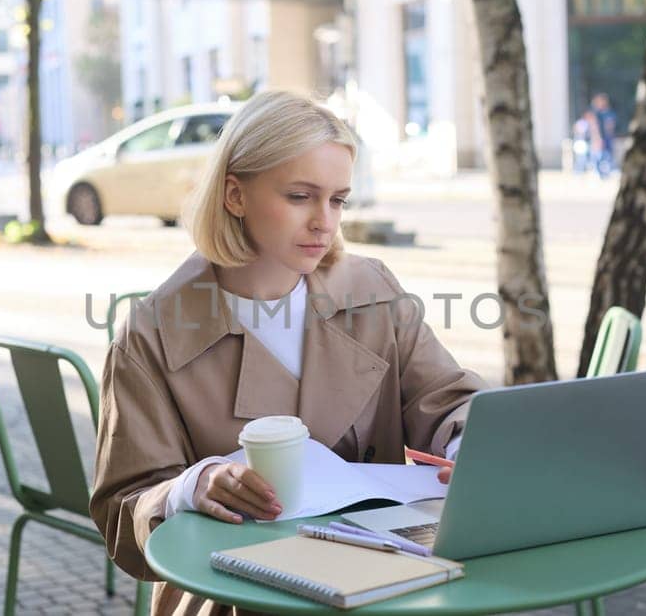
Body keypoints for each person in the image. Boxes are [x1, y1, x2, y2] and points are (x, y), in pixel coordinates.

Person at [90, 90, 486, 615]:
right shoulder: (149, 334)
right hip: (234, 597)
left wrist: (470, 450)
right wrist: (194, 485)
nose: (325, 221)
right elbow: (124, 507)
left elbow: (445, 398)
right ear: (235, 195)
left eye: (338, 199)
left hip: (387, 580)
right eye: (300, 196)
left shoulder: (372, 289)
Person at [586, 93, 617, 177]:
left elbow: (610, 127)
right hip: (597, 139)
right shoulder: (595, 114)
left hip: (606, 139)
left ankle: (605, 173)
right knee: (597, 157)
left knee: (606, 156)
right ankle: (599, 173)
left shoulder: (608, 113)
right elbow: (593, 127)